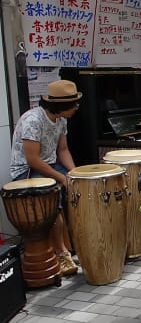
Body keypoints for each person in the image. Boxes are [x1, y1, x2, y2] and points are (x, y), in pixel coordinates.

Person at [10, 79, 81, 276]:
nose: (76, 107)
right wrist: (61, 177)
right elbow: (32, 159)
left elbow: (63, 150)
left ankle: (77, 243)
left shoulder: (61, 120)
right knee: (54, 196)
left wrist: (74, 174)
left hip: (49, 164)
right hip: (26, 170)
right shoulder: (33, 120)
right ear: (60, 105)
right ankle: (61, 252)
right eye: (73, 103)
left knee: (80, 186)